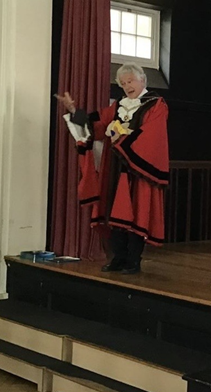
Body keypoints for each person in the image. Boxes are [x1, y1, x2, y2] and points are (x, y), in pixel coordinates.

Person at [55, 63, 169, 274]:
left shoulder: (156, 104)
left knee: (137, 214)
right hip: (115, 168)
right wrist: (73, 111)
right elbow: (96, 125)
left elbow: (153, 135)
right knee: (113, 213)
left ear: (142, 80)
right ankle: (118, 257)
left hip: (138, 171)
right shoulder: (118, 106)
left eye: (130, 81)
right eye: (123, 83)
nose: (127, 86)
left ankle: (133, 260)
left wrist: (122, 140)